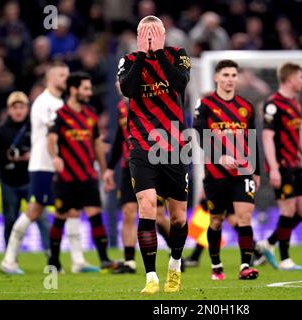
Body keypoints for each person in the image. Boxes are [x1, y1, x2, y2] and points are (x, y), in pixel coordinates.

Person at [118, 15, 190, 294]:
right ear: (137, 35)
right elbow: (128, 88)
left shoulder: (177, 55)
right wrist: (140, 54)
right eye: (143, 33)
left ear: (163, 33)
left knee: (178, 218)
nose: (149, 37)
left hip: (173, 144)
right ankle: (151, 277)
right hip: (141, 143)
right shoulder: (128, 60)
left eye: (154, 32)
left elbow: (179, 83)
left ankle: (174, 265)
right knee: (146, 206)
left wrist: (158, 52)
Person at [0, 62, 84, 275]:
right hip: (43, 165)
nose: (66, 78)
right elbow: (55, 134)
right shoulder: (43, 103)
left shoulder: (59, 102)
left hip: (60, 166)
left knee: (72, 208)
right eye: (62, 75)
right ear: (51, 78)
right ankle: (9, 260)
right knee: (34, 210)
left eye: (67, 74)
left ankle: (78, 261)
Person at [193, 59, 260, 280]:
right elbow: (201, 134)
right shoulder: (205, 104)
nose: (230, 79)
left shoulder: (247, 106)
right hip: (215, 172)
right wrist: (219, 156)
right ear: (216, 78)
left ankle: (245, 267)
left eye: (233, 75)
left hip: (242, 171)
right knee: (216, 220)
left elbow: (252, 140)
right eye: (225, 75)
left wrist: (256, 170)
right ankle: (216, 265)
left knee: (245, 217)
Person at [47, 72, 117, 273]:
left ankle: (104, 259)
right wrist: (55, 157)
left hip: (87, 177)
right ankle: (53, 261)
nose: (90, 92)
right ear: (73, 90)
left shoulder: (91, 114)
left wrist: (105, 172)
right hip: (66, 178)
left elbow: (96, 145)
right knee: (61, 217)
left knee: (95, 215)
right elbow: (50, 140)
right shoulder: (60, 116)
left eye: (90, 88)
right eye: (86, 88)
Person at [103, 84, 176, 274]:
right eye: (118, 80)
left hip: (153, 164)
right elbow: (121, 136)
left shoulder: (151, 101)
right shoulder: (121, 107)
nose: (120, 84)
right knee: (128, 212)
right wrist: (110, 168)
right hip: (129, 166)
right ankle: (129, 262)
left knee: (158, 216)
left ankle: (175, 252)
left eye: (123, 79)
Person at [258, 62, 302, 271]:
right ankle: (284, 259)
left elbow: (297, 134)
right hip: (281, 165)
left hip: (295, 163)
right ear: (290, 79)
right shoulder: (273, 103)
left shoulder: (295, 103)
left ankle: (268, 243)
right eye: (300, 77)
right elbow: (267, 137)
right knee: (288, 210)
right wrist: (273, 167)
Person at [0, 92, 49, 250]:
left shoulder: (35, 128)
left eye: (21, 107)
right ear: (8, 110)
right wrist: (6, 156)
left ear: (27, 109)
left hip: (32, 181)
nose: (18, 111)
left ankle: (51, 254)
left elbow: (48, 149)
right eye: (15, 107)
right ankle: (10, 257)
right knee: (10, 220)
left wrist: (33, 155)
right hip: (9, 182)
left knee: (42, 219)